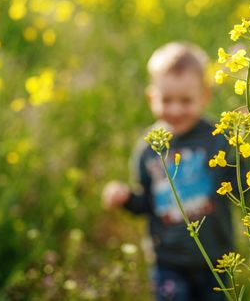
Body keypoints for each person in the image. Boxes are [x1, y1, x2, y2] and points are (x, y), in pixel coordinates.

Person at [102, 42, 239, 301]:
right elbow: (146, 203)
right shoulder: (147, 148)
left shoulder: (218, 138)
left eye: (186, 100)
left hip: (216, 259)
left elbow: (245, 188)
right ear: (151, 97)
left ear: (205, 96)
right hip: (167, 262)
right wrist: (126, 198)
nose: (175, 109)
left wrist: (245, 148)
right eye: (166, 100)